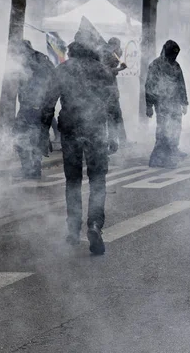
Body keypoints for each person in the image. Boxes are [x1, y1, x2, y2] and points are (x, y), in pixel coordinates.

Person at [41, 31, 120, 255]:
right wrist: (114, 135)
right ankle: (94, 225)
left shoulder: (63, 69)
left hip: (70, 129)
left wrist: (43, 132)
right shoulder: (103, 71)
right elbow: (113, 104)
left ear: (73, 46)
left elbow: (48, 103)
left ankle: (73, 230)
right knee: (98, 180)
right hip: (96, 129)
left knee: (73, 181)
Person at [13, 40, 55, 179]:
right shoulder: (38, 59)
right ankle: (30, 169)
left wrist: (38, 103)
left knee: (30, 138)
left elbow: (45, 84)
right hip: (31, 106)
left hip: (35, 106)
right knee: (24, 138)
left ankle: (33, 170)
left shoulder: (36, 62)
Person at [145, 40, 189, 168]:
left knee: (176, 128)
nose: (173, 58)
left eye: (175, 55)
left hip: (174, 103)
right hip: (162, 103)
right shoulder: (155, 65)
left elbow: (181, 84)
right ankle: (157, 158)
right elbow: (149, 86)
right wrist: (149, 106)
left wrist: (184, 102)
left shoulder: (176, 66)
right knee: (163, 130)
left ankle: (172, 152)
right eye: (172, 55)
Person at [100, 37, 128, 145]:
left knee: (117, 117)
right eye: (117, 45)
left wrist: (117, 57)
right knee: (110, 117)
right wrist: (120, 69)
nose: (119, 48)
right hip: (105, 92)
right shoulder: (104, 55)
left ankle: (122, 140)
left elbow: (114, 67)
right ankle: (112, 141)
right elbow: (106, 70)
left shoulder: (113, 54)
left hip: (113, 92)